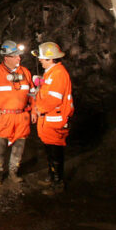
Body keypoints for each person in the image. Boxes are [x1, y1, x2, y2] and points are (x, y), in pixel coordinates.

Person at [0, 40, 34, 185]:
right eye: (15, 56)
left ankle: (13, 173)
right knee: (0, 148)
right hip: (3, 117)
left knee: (19, 148)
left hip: (22, 117)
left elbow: (32, 94)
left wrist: (33, 110)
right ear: (6, 58)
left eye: (19, 56)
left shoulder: (25, 72)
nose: (19, 58)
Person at [31, 41, 74, 193]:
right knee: (49, 150)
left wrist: (37, 108)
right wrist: (40, 84)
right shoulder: (51, 72)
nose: (40, 60)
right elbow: (47, 90)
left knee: (55, 151)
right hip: (48, 120)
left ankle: (58, 183)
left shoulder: (59, 74)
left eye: (42, 58)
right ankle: (51, 176)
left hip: (54, 119)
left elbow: (54, 99)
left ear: (50, 59)